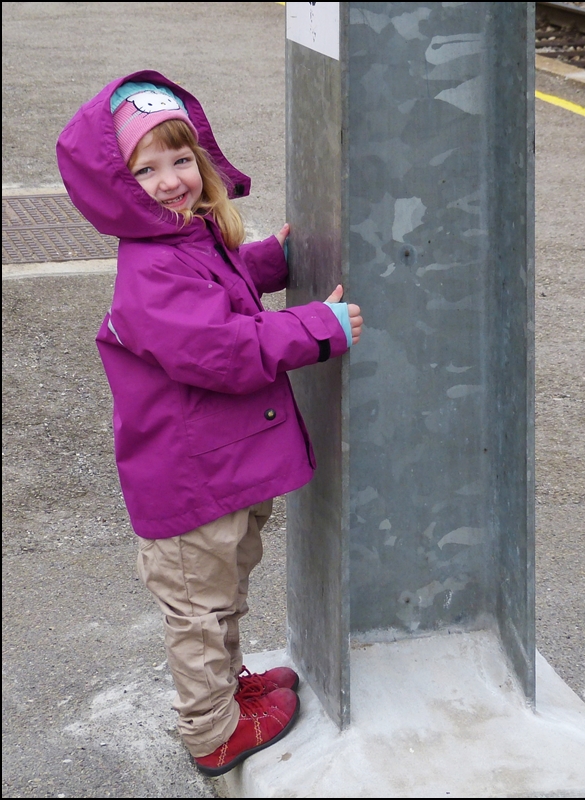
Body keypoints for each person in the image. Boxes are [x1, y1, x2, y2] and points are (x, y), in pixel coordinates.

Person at [56, 70, 363, 777]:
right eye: (146, 169)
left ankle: (226, 691)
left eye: (181, 158)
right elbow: (220, 349)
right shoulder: (150, 270)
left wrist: (269, 261)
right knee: (199, 609)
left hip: (216, 473)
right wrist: (316, 327)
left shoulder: (185, 241)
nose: (171, 180)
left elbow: (218, 282)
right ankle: (212, 732)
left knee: (222, 593)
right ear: (116, 186)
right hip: (189, 484)